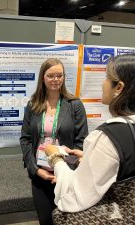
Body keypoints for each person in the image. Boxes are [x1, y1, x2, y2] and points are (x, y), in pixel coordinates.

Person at [44, 54, 135, 213]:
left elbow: (74, 196)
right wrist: (89, 158)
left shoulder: (108, 137)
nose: (103, 83)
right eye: (50, 76)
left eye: (106, 77)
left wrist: (56, 158)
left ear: (119, 87)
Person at [20, 58, 88, 225]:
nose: (56, 79)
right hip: (41, 174)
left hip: (67, 174)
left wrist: (65, 170)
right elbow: (26, 139)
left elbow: (81, 141)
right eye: (51, 75)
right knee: (45, 220)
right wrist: (35, 169)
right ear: (43, 78)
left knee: (67, 220)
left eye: (59, 75)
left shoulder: (74, 105)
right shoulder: (33, 104)